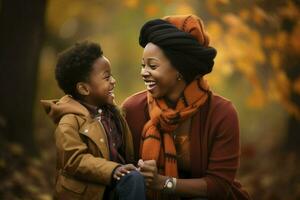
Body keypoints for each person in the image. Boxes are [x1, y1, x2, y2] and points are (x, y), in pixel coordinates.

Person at [122, 15, 251, 200]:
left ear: (179, 70)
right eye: (143, 65)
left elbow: (219, 186)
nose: (144, 72)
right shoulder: (132, 110)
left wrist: (163, 182)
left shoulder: (222, 113)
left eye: (153, 66)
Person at [41, 41, 146, 200]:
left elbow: (125, 153)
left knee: (136, 178)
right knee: (133, 179)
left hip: (115, 186)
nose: (113, 81)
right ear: (84, 89)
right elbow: (75, 160)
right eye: (106, 77)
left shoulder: (112, 114)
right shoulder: (69, 121)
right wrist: (113, 170)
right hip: (88, 193)